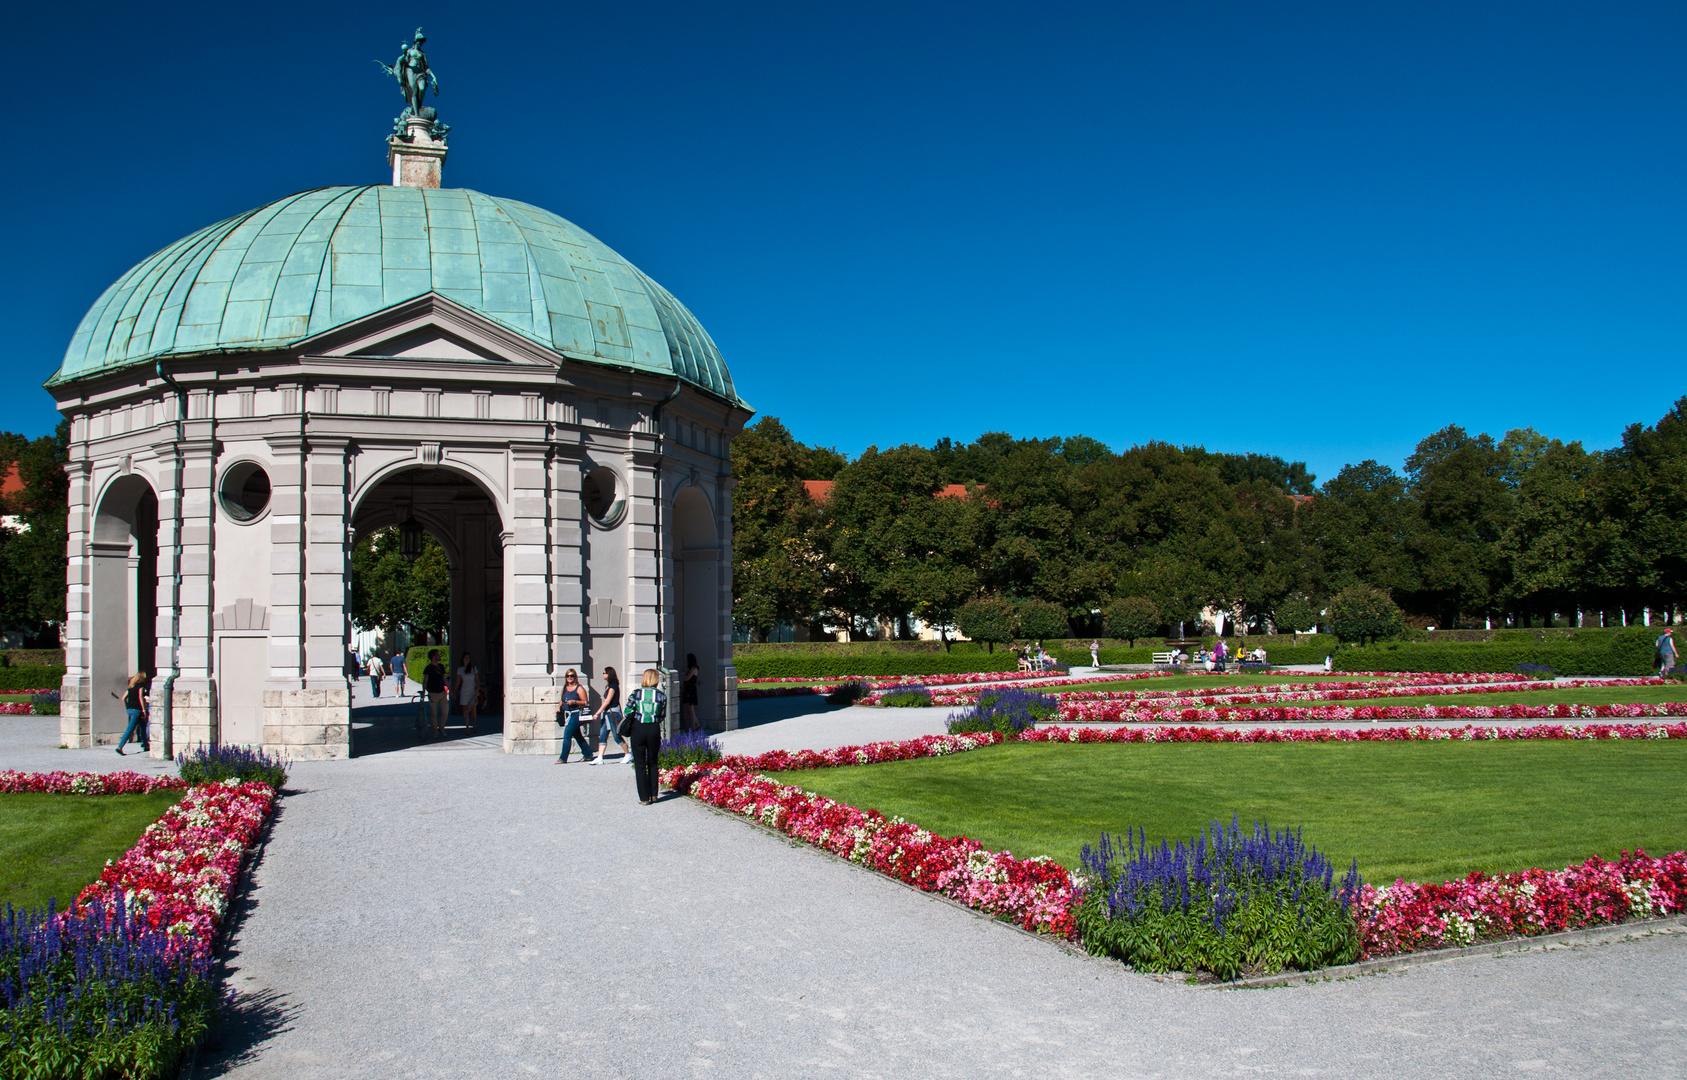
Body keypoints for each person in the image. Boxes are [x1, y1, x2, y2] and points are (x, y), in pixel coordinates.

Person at [625, 668, 668, 804]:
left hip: (639, 727)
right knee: (653, 761)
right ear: (656, 680)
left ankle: (644, 797)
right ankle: (654, 794)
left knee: (640, 763)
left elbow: (627, 710)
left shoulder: (636, 693)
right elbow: (662, 715)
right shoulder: (662, 696)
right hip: (654, 728)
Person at [590, 666, 629, 765]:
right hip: (607, 714)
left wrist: (597, 713)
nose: (603, 675)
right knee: (603, 735)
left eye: (604, 673)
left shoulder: (613, 686)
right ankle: (600, 757)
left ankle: (627, 754)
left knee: (616, 735)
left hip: (612, 713)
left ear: (609, 674)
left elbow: (607, 701)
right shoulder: (608, 686)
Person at [554, 669, 592, 762]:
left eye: (572, 676)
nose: (570, 678)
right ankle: (588, 754)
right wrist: (559, 706)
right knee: (577, 735)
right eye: (568, 676)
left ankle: (563, 758)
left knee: (567, 734)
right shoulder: (565, 687)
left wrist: (574, 702)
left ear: (575, 677)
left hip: (576, 714)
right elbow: (562, 700)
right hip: (568, 714)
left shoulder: (579, 688)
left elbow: (585, 702)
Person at [115, 671, 150, 755]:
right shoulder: (140, 685)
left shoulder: (131, 687)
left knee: (142, 726)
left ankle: (145, 745)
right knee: (130, 729)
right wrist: (143, 710)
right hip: (137, 709)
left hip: (130, 709)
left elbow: (123, 698)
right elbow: (140, 697)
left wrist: (127, 707)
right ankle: (120, 747)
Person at [423, 648, 449, 738]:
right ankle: (435, 731)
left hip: (442, 692)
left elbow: (444, 679)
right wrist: (424, 691)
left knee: (445, 712)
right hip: (433, 693)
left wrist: (450, 689)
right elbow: (425, 680)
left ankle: (441, 728)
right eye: (438, 655)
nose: (439, 656)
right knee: (434, 714)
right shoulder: (428, 668)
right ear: (433, 657)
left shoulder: (441, 666)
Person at [455, 653, 480, 734]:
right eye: (465, 657)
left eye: (468, 657)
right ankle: (467, 727)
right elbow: (458, 681)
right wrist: (454, 691)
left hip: (472, 691)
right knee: (465, 711)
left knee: (473, 710)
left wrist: (477, 689)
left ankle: (474, 725)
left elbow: (477, 679)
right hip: (464, 692)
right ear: (462, 659)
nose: (467, 659)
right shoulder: (460, 669)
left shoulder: (473, 668)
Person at [681, 654, 700, 732]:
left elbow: (687, 678)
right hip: (688, 689)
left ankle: (693, 727)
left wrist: (681, 673)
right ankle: (697, 724)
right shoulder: (692, 668)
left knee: (691, 709)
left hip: (690, 689)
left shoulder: (693, 668)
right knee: (688, 709)